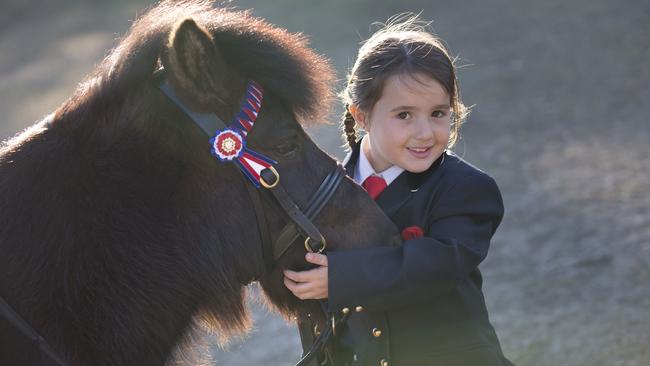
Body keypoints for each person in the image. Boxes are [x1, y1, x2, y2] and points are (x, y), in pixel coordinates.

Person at [283, 15, 513, 366]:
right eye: (404, 115)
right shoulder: (325, 192)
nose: (425, 132)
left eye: (438, 113)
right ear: (360, 116)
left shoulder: (466, 189)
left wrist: (341, 277)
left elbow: (435, 267)